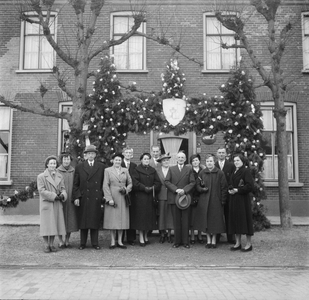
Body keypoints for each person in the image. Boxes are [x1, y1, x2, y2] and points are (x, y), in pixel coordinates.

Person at [73, 145, 106, 250]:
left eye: (92, 153)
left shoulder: (101, 166)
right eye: (88, 154)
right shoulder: (79, 166)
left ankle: (95, 243)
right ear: (85, 155)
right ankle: (82, 243)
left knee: (94, 220)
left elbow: (103, 183)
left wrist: (102, 195)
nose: (91, 155)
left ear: (95, 155)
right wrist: (77, 197)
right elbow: (75, 184)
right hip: (84, 197)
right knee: (84, 221)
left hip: (96, 197)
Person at [195, 154, 228, 248]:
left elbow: (224, 188)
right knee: (206, 221)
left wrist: (223, 200)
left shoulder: (220, 173)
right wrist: (202, 189)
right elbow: (197, 185)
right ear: (205, 162)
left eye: (211, 161)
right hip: (204, 201)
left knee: (214, 221)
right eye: (207, 161)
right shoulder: (202, 173)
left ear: (214, 162)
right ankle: (208, 239)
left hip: (216, 201)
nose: (209, 163)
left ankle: (214, 240)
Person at [165, 151, 195, 249]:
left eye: (183, 157)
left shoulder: (189, 169)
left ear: (185, 159)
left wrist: (184, 190)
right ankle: (177, 241)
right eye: (179, 157)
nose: (181, 159)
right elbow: (167, 181)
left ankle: (186, 241)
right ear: (176, 159)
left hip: (185, 198)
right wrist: (176, 189)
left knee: (186, 220)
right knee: (176, 220)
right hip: (175, 197)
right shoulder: (171, 169)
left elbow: (192, 182)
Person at [37, 155, 67, 253]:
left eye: (54, 163)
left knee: (54, 224)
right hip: (47, 203)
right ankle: (46, 245)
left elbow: (63, 188)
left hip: (57, 204)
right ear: (47, 165)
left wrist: (63, 195)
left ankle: (51, 244)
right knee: (46, 225)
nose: (53, 165)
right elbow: (41, 190)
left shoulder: (59, 176)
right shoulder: (41, 176)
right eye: (51, 163)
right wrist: (54, 196)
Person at [103, 153, 133, 250]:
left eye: (119, 160)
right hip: (113, 195)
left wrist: (127, 189)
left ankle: (120, 241)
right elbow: (105, 185)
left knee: (122, 219)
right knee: (112, 219)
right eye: (116, 160)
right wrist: (109, 199)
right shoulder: (107, 170)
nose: (118, 162)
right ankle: (112, 241)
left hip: (123, 196)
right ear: (113, 161)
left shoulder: (125, 170)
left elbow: (130, 183)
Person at [131, 152, 161, 246]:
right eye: (144, 159)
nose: (146, 160)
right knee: (141, 218)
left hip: (150, 197)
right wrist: (144, 188)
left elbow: (158, 182)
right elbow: (135, 182)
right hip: (140, 197)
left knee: (148, 218)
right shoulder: (136, 170)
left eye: (148, 159)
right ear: (141, 160)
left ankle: (146, 236)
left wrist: (152, 188)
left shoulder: (153, 170)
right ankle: (141, 237)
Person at [228, 154, 254, 252]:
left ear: (242, 161)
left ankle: (248, 244)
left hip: (242, 200)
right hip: (234, 199)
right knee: (235, 220)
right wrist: (230, 189)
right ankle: (238, 243)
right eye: (234, 161)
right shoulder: (234, 171)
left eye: (238, 160)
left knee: (245, 220)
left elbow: (249, 186)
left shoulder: (245, 171)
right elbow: (230, 183)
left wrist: (237, 190)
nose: (236, 162)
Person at [215, 147, 235, 244]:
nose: (221, 154)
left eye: (223, 152)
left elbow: (233, 179)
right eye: (219, 153)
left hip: (228, 194)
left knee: (229, 215)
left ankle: (230, 237)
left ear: (226, 154)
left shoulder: (231, 166)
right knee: (217, 216)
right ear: (217, 154)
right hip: (216, 195)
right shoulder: (213, 165)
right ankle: (217, 237)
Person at [57, 152, 78, 248]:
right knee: (60, 219)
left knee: (70, 220)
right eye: (64, 159)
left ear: (70, 160)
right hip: (60, 199)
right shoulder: (57, 171)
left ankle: (67, 240)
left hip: (71, 200)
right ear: (61, 160)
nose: (66, 161)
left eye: (68, 159)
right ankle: (61, 240)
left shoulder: (73, 171)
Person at [121, 147, 137, 246]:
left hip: (132, 193)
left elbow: (135, 179)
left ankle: (131, 238)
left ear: (132, 155)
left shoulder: (134, 166)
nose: (128, 154)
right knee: (122, 215)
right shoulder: (119, 164)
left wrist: (130, 188)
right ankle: (121, 238)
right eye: (126, 152)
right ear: (123, 154)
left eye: (130, 153)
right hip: (121, 193)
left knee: (131, 215)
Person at [156, 153, 174, 243]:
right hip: (161, 194)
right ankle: (162, 234)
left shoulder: (172, 170)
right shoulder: (157, 170)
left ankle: (170, 234)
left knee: (170, 215)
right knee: (162, 215)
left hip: (171, 194)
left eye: (167, 160)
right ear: (161, 162)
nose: (166, 162)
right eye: (164, 161)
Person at [189, 154, 205, 244]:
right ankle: (192, 235)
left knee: (199, 216)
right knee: (192, 217)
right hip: (191, 195)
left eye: (196, 160)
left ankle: (199, 235)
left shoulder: (203, 171)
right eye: (193, 161)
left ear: (199, 161)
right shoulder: (189, 171)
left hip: (201, 195)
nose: (195, 162)